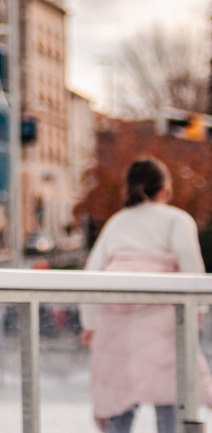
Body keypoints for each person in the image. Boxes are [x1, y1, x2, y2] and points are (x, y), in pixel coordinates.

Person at [80, 157, 212, 433]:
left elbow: (91, 274)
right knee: (170, 396)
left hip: (117, 323)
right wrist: (197, 312)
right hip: (163, 318)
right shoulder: (176, 220)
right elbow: (191, 267)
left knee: (119, 399)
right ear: (164, 189)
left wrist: (90, 323)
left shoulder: (116, 223)